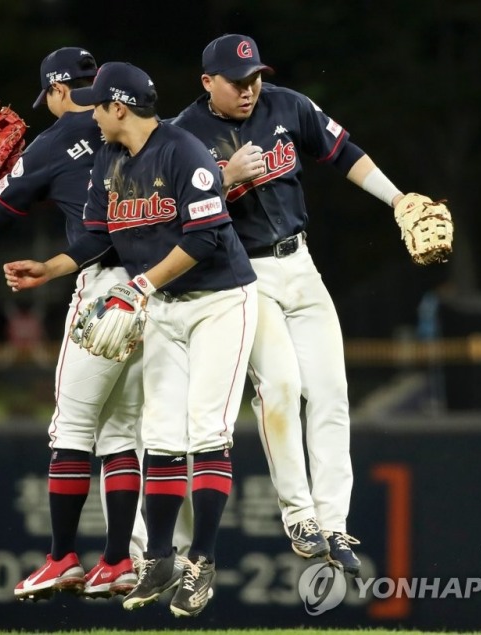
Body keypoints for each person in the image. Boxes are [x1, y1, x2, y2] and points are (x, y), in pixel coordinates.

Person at [3, 61, 258, 618]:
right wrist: (49, 269)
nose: (90, 112)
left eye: (96, 104)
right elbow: (97, 236)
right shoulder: (111, 161)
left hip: (220, 301)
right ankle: (159, 558)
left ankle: (202, 563)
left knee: (205, 433)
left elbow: (208, 238)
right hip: (162, 303)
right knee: (162, 437)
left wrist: (139, 285)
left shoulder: (182, 151)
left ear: (119, 108)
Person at [172, 34, 429, 574]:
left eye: (254, 77)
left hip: (300, 264)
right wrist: (223, 179)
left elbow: (344, 153)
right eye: (237, 81)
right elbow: (171, 218)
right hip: (242, 274)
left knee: (333, 392)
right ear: (207, 82)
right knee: (282, 386)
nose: (249, 89)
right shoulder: (183, 136)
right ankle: (300, 517)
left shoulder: (286, 104)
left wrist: (398, 198)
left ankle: (334, 524)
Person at [0, 47, 148, 601]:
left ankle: (61, 558)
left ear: (58, 90)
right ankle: (118, 560)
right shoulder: (137, 126)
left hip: (99, 289)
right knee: (122, 432)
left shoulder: (52, 141)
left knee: (72, 428)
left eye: (47, 96)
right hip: (152, 289)